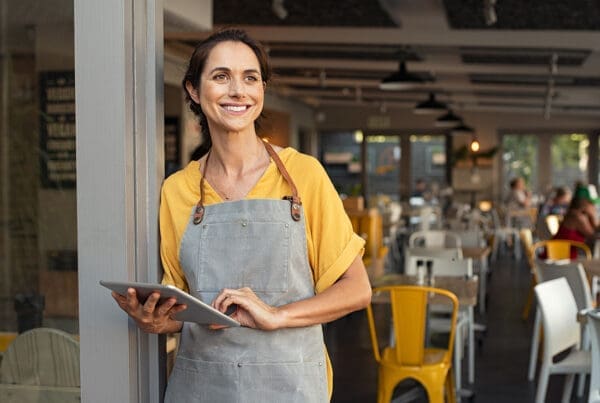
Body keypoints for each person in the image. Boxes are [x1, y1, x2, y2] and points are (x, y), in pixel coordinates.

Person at [110, 28, 372, 402]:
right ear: (194, 91)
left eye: (250, 78)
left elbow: (357, 289)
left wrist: (276, 315)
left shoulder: (304, 175)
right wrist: (157, 321)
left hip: (290, 388)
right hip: (201, 388)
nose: (238, 91)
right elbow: (183, 308)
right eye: (221, 77)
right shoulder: (177, 190)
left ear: (262, 90)